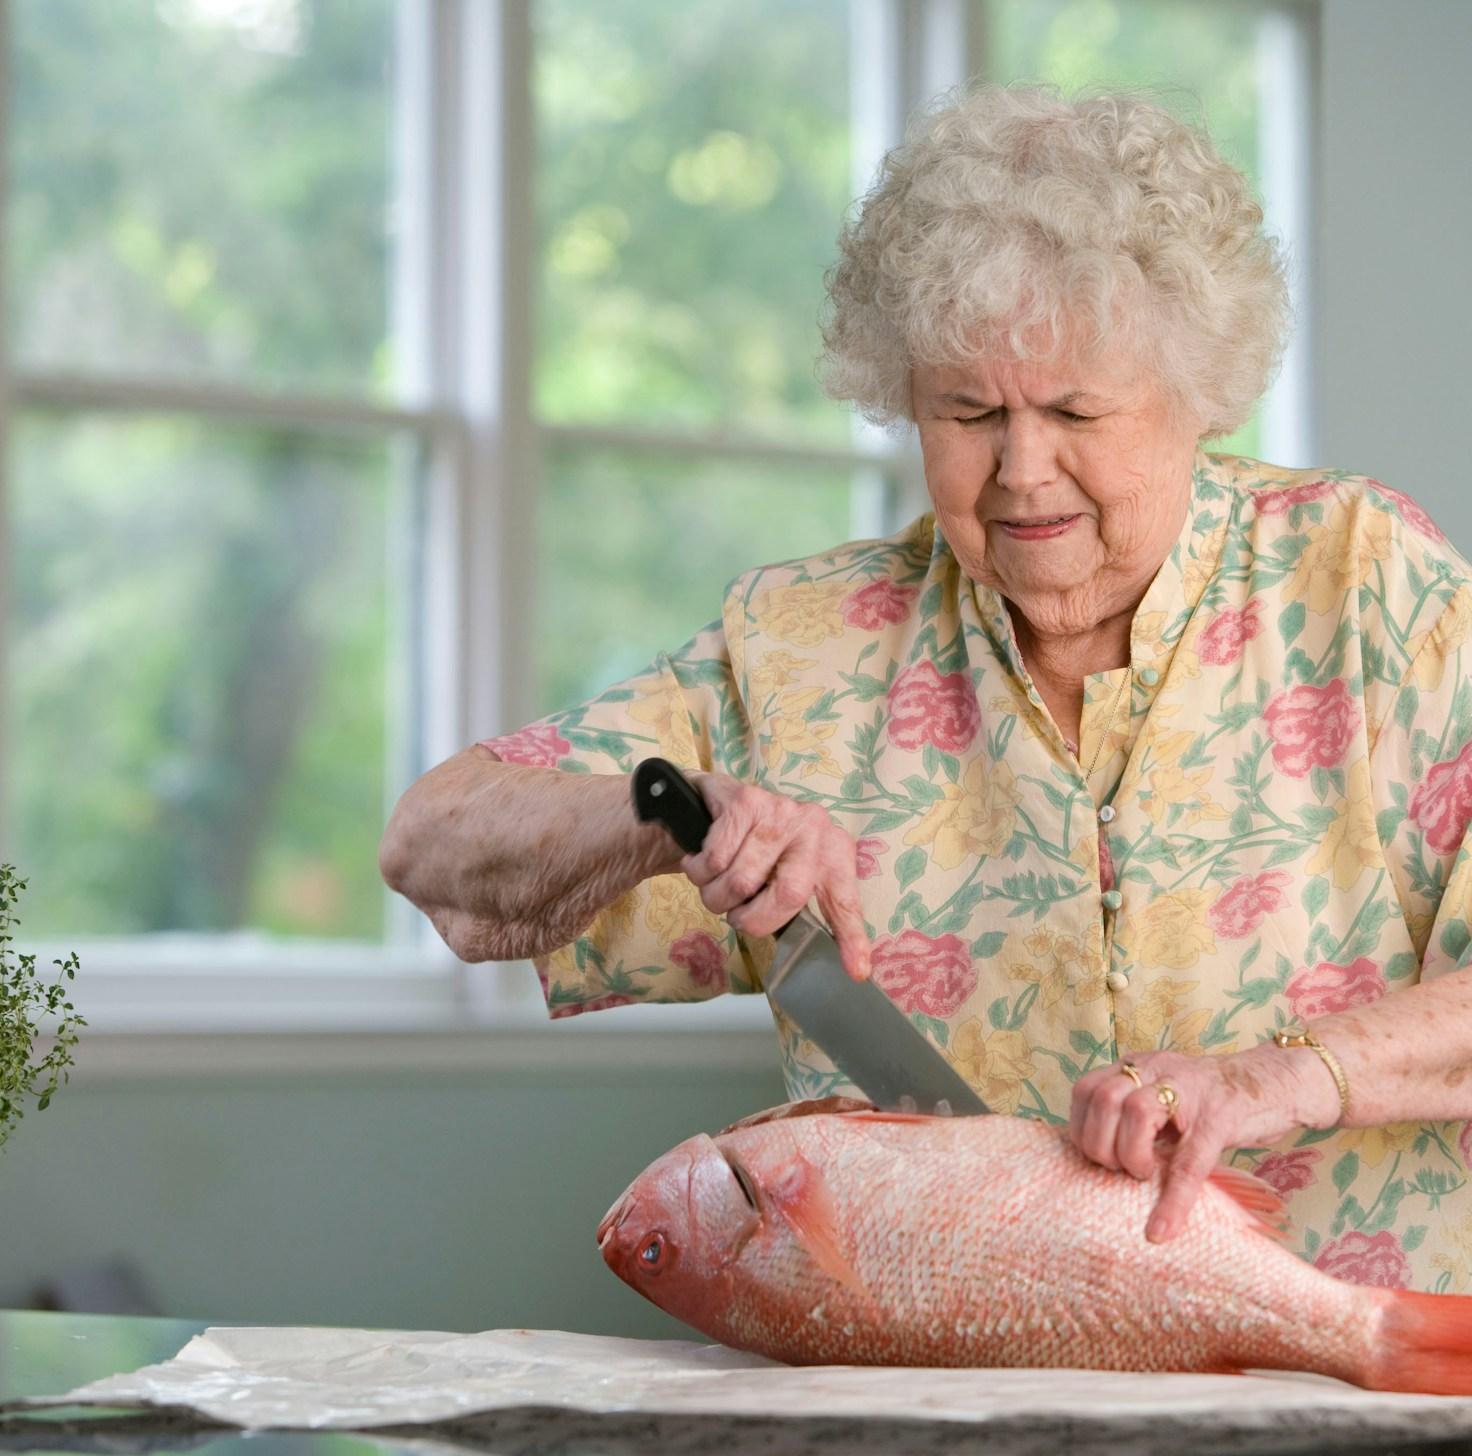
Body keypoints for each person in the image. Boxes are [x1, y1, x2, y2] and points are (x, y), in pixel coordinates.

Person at [380, 85, 1472, 1293]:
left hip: (1355, 1385)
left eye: (1071, 409)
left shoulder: (1363, 584)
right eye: (967, 411)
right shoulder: (805, 650)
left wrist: (1277, 1075)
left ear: (1194, 395)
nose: (1021, 468)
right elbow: (435, 844)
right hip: (936, 1415)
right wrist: (659, 814)